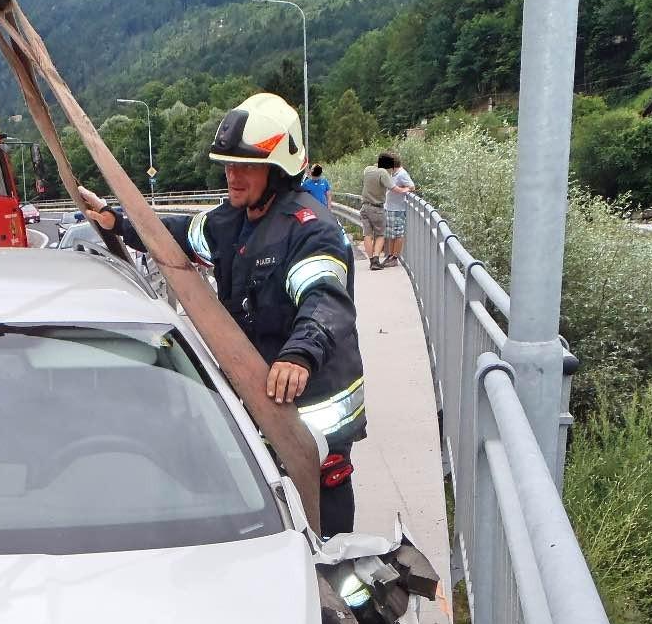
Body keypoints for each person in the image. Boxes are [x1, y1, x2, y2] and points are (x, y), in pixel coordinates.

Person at [78, 92, 366, 534]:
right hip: (261, 396)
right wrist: (118, 222)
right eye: (228, 164)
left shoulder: (313, 230)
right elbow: (173, 236)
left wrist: (300, 355)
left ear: (278, 168)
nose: (232, 175)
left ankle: (344, 597)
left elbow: (324, 298)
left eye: (245, 165)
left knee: (321, 524)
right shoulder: (233, 219)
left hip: (313, 410)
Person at [359, 152, 398, 266]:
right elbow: (393, 188)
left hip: (364, 207)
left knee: (367, 235)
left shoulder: (367, 170)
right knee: (380, 235)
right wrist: (407, 189)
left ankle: (371, 260)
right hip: (377, 209)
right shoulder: (383, 172)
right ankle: (376, 260)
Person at [381, 155, 416, 268]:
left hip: (397, 209)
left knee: (398, 234)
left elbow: (411, 186)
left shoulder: (402, 174)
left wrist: (402, 190)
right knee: (391, 235)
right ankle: (390, 256)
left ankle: (395, 258)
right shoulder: (393, 174)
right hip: (390, 208)